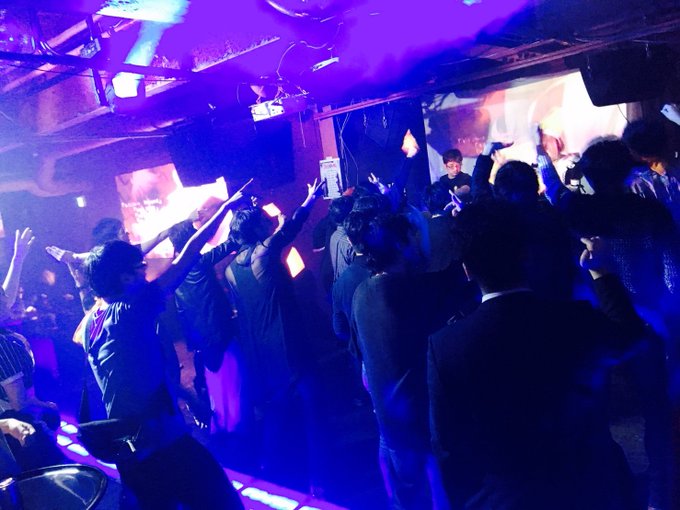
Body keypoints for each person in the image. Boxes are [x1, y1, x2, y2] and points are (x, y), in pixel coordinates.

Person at [428, 200, 645, 510]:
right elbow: (631, 338)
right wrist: (602, 272)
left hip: (507, 499)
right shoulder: (574, 319)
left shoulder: (446, 346)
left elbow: (448, 447)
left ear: (467, 269)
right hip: (587, 490)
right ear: (525, 256)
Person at [82, 192, 245, 509]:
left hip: (130, 450)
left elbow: (136, 375)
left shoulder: (90, 324)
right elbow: (188, 256)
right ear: (125, 277)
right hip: (160, 445)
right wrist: (225, 208)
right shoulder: (129, 310)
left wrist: (188, 397)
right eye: (140, 268)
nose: (146, 273)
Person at [351, 213, 469, 510]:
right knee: (441, 496)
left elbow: (360, 354)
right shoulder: (407, 290)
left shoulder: (361, 293)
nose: (418, 243)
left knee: (407, 500)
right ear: (400, 245)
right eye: (413, 237)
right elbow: (454, 277)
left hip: (390, 422)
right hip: (422, 421)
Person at [225, 180, 324, 487]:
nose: (268, 225)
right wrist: (310, 199)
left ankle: (268, 469)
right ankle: (319, 480)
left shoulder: (230, 270)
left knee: (278, 408)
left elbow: (243, 314)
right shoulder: (263, 255)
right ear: (255, 230)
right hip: (288, 340)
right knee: (312, 408)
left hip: (263, 348)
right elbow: (290, 229)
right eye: (262, 223)